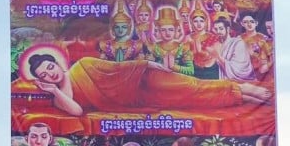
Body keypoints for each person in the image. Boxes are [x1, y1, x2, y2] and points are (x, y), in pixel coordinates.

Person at [25, 51, 271, 118]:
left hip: (144, 81)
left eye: (50, 68)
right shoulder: (60, 99)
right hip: (140, 101)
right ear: (41, 81)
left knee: (192, 86)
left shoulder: (83, 65)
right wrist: (56, 91)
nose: (50, 75)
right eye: (44, 76)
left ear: (56, 63)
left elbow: (122, 69)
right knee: (192, 100)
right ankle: (244, 96)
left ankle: (248, 90)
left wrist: (149, 64)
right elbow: (77, 111)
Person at [207, 15, 255, 81]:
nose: (218, 31)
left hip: (240, 82)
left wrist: (217, 56)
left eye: (221, 28)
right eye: (216, 29)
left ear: (228, 29)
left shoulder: (238, 43)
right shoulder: (216, 44)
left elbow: (239, 70)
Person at [150, 6, 194, 75]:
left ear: (176, 30)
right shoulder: (153, 47)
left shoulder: (183, 47)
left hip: (178, 82)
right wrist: (161, 66)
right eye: (163, 30)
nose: (167, 33)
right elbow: (147, 71)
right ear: (159, 31)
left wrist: (173, 67)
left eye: (171, 29)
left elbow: (191, 71)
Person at [183, 1, 219, 79]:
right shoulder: (188, 38)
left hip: (210, 69)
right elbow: (185, 56)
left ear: (205, 22)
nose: (199, 24)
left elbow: (214, 56)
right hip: (192, 70)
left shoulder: (212, 37)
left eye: (201, 21)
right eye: (195, 21)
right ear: (192, 23)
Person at [239, 13, 272, 80]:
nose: (249, 24)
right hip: (243, 72)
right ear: (242, 24)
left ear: (256, 23)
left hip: (261, 73)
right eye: (245, 22)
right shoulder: (238, 39)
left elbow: (269, 59)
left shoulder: (264, 38)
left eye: (252, 21)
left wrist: (253, 54)